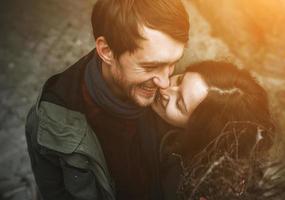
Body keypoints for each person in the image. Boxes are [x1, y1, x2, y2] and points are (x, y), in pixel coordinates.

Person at [25, 0, 189, 199]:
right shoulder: (50, 121)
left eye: (173, 63)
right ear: (107, 51)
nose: (165, 83)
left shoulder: (183, 82)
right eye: (149, 67)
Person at [151, 61, 275, 200]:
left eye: (179, 103)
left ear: (200, 131)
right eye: (180, 80)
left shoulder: (192, 187)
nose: (164, 89)